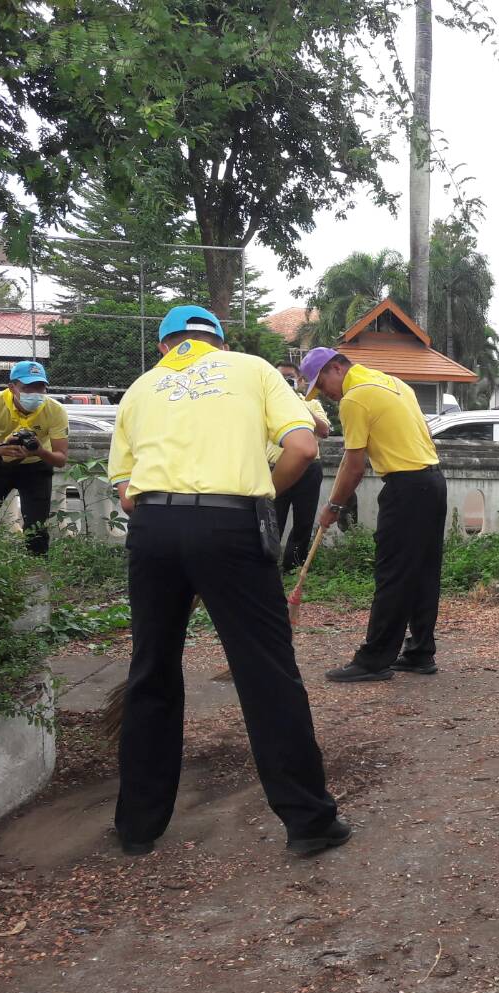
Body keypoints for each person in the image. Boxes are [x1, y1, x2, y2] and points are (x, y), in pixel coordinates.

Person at [107, 306, 348, 858]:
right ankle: (309, 822)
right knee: (266, 672)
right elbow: (305, 447)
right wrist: (254, 493)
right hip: (230, 525)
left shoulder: (141, 389)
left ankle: (138, 827)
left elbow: (125, 493)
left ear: (167, 345)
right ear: (216, 341)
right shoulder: (253, 369)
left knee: (152, 670)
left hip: (154, 529)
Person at [300, 346, 447, 682]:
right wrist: (333, 502)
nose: (326, 394)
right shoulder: (393, 383)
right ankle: (420, 652)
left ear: (336, 368)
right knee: (422, 572)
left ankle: (374, 659)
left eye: (322, 385)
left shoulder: (355, 398)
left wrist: (333, 507)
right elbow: (350, 461)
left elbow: (354, 468)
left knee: (392, 574)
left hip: (406, 488)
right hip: (433, 482)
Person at [0, 361, 69, 555]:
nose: (35, 392)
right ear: (12, 387)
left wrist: (38, 451)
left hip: (36, 467)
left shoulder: (55, 410)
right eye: (27, 387)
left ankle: (38, 572)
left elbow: (61, 458)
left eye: (40, 387)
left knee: (36, 528)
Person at [270, 361, 332, 573]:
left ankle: (294, 565)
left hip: (309, 468)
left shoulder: (311, 404)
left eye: (290, 378)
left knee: (304, 519)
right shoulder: (266, 404)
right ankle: (267, 564)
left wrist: (298, 405)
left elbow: (324, 431)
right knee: (272, 518)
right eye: (281, 378)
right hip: (276, 467)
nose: (286, 382)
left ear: (299, 381)